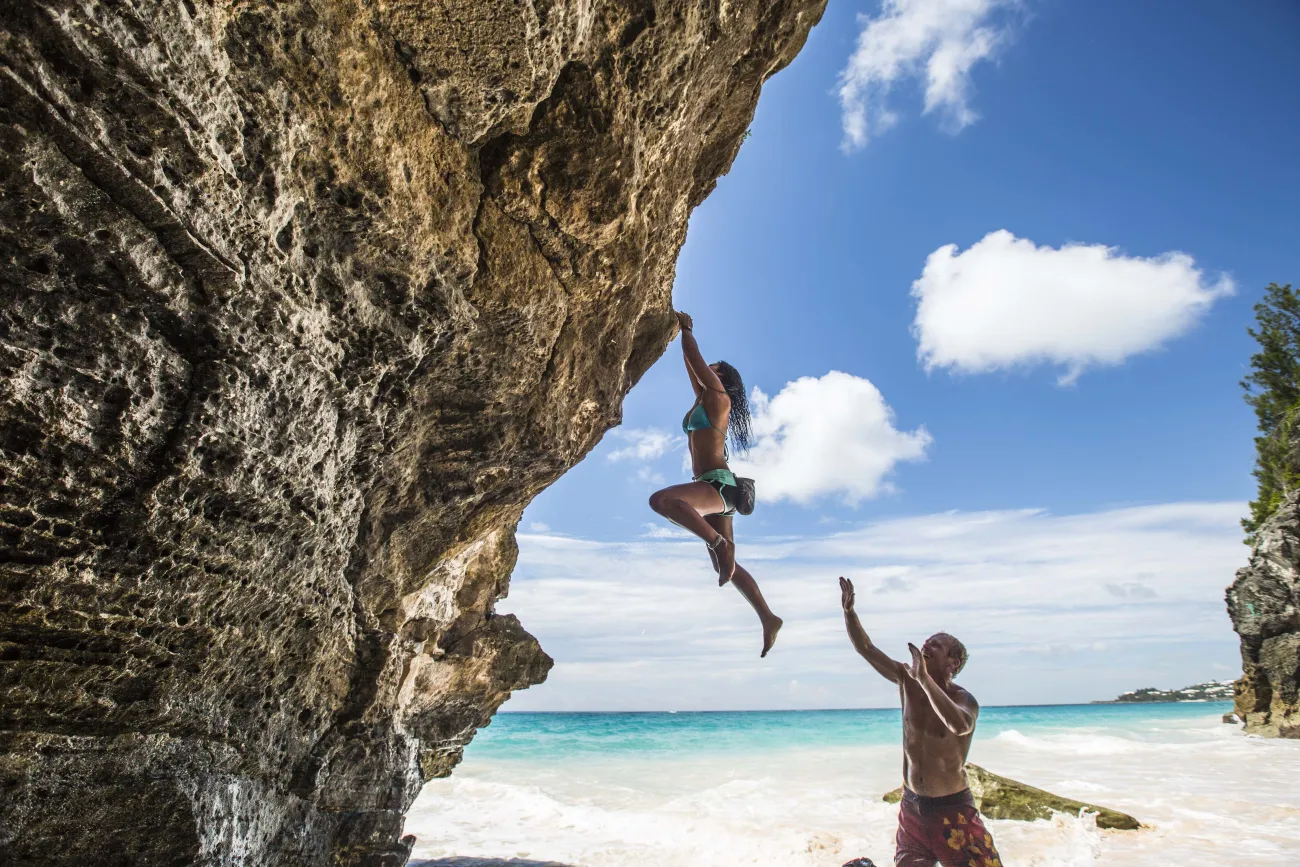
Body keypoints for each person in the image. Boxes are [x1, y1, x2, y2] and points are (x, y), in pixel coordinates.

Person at [837, 577, 1003, 867]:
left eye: (935, 646)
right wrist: (849, 612)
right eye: (926, 642)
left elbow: (960, 725)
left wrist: (925, 681)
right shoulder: (906, 680)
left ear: (953, 663)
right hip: (913, 806)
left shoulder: (964, 699)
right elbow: (866, 648)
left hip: (952, 809)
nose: (926, 645)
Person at [648, 311, 783, 657]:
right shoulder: (703, 399)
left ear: (722, 378)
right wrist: (681, 337)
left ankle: (719, 543)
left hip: (717, 484)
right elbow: (691, 365)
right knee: (723, 565)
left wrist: (689, 330)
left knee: (662, 501)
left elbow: (696, 361)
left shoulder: (719, 400)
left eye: (714, 369)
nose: (707, 369)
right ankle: (768, 617)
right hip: (718, 488)